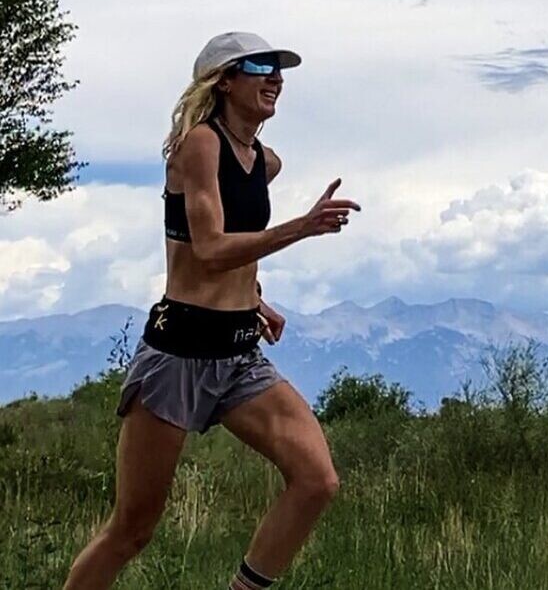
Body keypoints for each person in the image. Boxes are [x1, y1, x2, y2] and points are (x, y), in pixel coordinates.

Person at [62, 31, 362, 590]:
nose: (276, 79)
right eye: (260, 68)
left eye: (279, 70)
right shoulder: (199, 144)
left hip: (238, 352)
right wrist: (302, 227)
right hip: (179, 352)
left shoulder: (264, 162)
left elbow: (228, 247)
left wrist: (254, 299)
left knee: (316, 480)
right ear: (224, 81)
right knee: (132, 530)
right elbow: (208, 249)